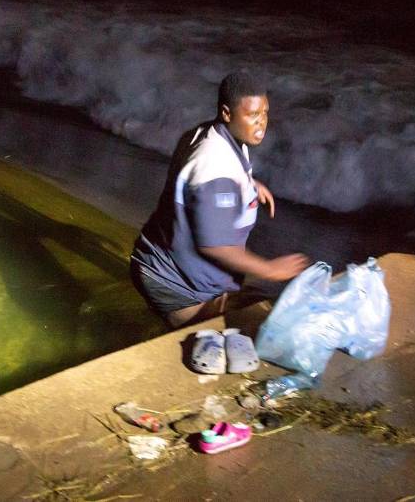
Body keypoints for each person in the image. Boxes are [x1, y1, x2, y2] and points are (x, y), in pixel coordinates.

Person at [130, 71, 310, 327]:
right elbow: (215, 245)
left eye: (265, 113)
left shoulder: (210, 134)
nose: (261, 122)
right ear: (227, 113)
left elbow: (197, 179)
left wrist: (248, 185)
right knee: (212, 337)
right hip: (174, 282)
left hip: (164, 259)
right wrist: (270, 269)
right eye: (252, 115)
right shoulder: (214, 164)